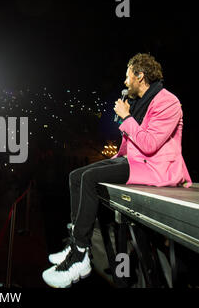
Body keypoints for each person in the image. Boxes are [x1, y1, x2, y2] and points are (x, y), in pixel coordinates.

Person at [42, 53, 192, 288]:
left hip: (157, 167)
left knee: (90, 179)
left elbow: (151, 143)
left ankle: (80, 255)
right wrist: (116, 153)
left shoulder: (168, 102)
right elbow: (131, 143)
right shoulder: (139, 101)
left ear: (140, 76)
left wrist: (127, 117)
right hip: (135, 159)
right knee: (76, 176)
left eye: (127, 76)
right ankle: (76, 243)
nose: (124, 81)